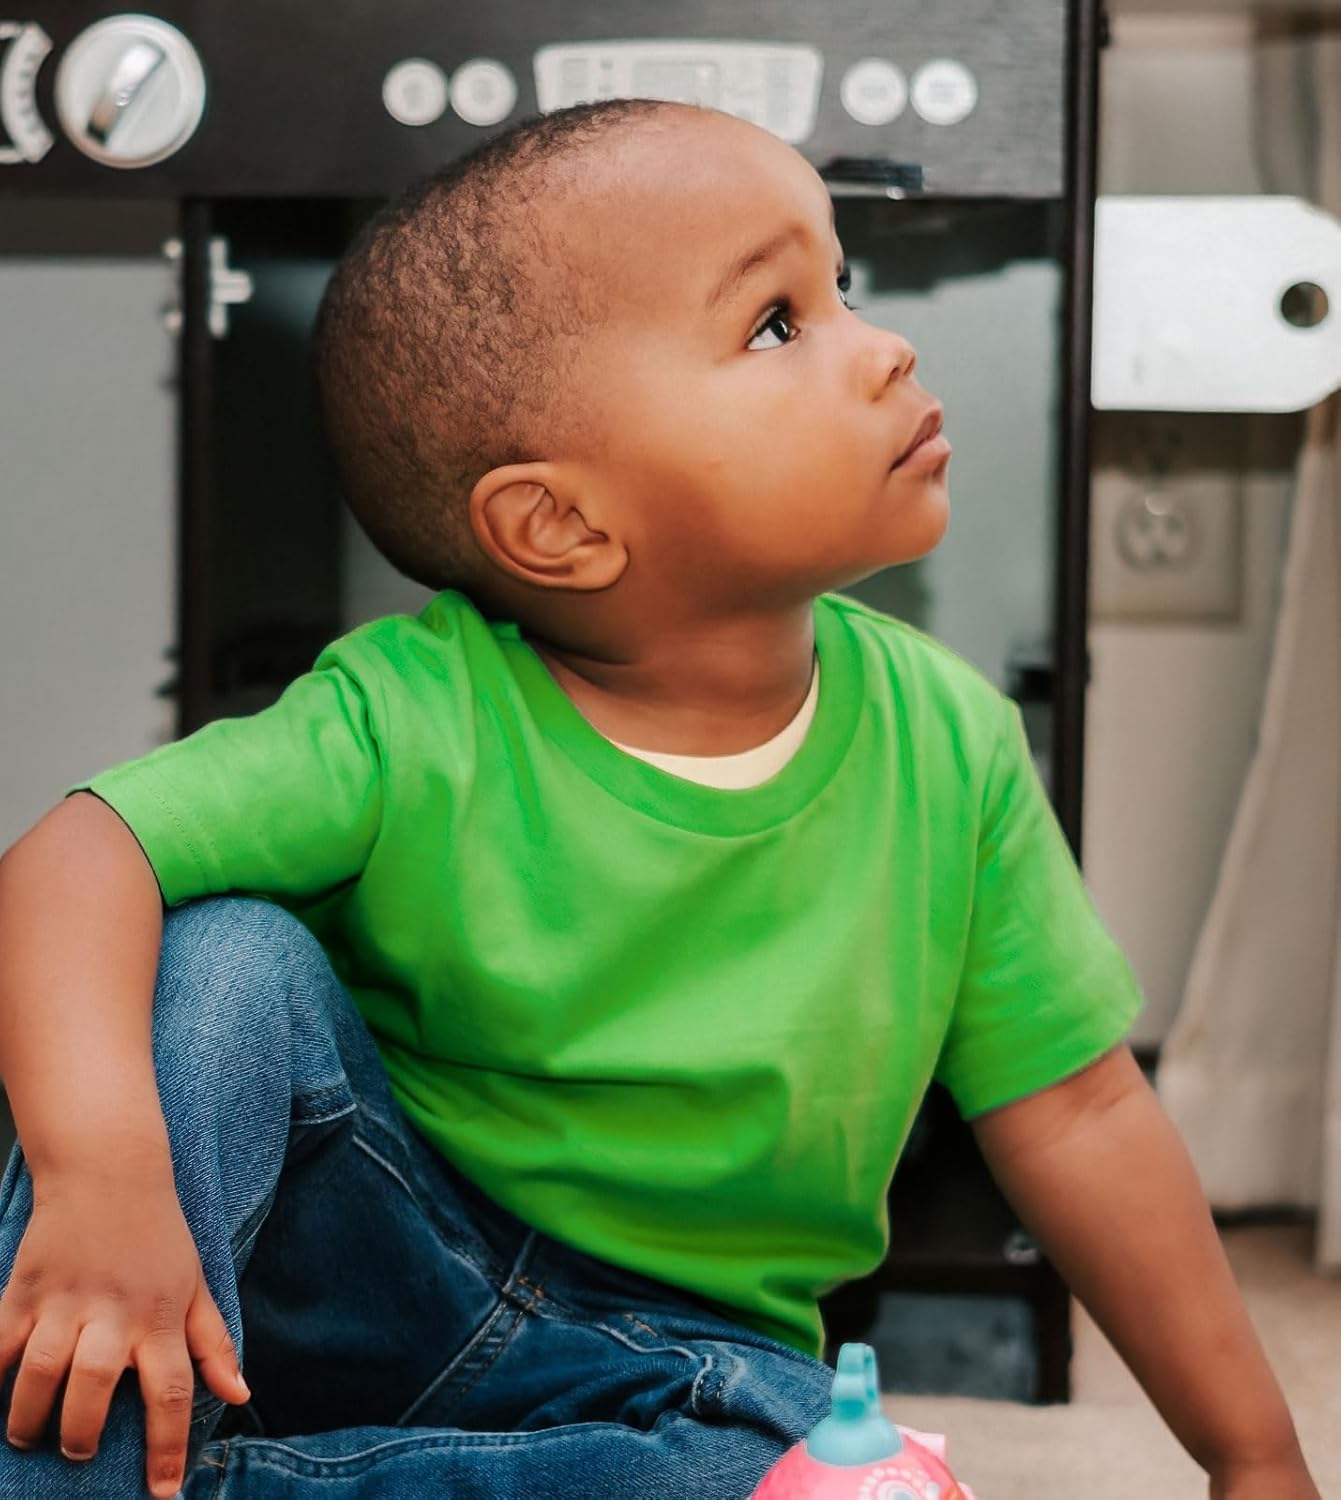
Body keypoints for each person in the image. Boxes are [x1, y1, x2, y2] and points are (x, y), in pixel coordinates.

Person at [0, 99, 1318, 1500]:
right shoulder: (407, 713)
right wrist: (103, 1175)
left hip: (681, 1367)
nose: (885, 347)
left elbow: (1079, 1118)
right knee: (220, 956)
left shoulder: (952, 745)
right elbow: (77, 853)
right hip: (366, 1271)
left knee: (789, 1460)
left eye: (844, 287)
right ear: (560, 524)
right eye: (776, 323)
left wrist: (1254, 1458)